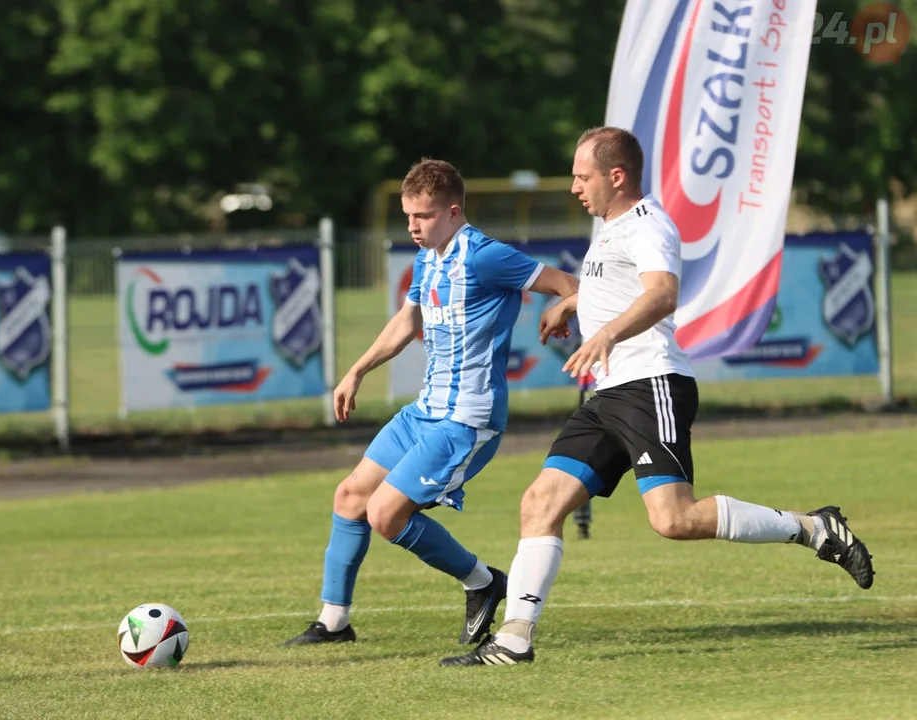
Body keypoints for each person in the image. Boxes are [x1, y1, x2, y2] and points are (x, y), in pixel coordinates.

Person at [439, 127, 876, 667]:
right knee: (539, 503)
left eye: (583, 176)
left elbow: (662, 293)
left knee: (674, 520)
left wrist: (606, 334)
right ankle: (513, 642)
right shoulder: (609, 227)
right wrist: (573, 302)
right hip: (609, 393)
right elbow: (616, 286)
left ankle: (812, 528)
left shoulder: (648, 225)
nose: (575, 187)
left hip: (651, 385)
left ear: (615, 177)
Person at [284, 158, 580, 647]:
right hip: (425, 410)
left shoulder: (485, 256)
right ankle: (334, 622)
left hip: (466, 419)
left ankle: (482, 582)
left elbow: (569, 283)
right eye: (407, 216)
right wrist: (356, 371)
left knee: (385, 514)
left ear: (453, 211)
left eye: (421, 216)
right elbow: (406, 323)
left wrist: (564, 307)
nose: (412, 227)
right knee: (350, 497)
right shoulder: (428, 257)